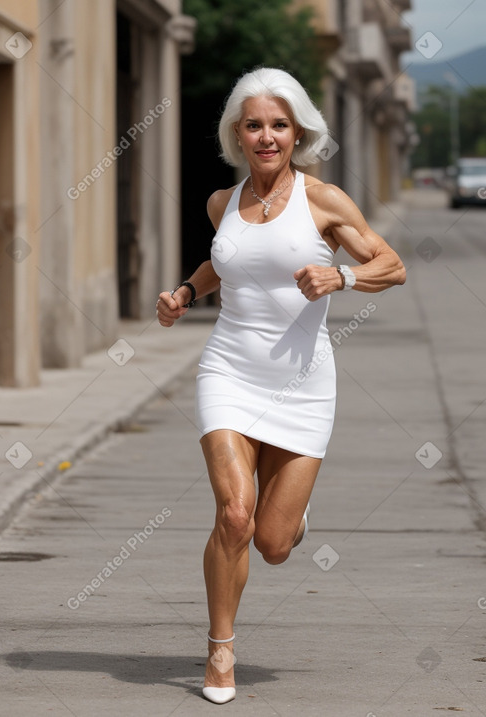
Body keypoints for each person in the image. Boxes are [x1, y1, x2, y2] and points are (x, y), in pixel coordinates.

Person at [156, 66, 406, 704]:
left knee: (270, 542)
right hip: (229, 372)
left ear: (297, 132)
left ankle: (288, 522)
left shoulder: (324, 200)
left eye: (278, 125)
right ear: (237, 134)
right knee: (233, 515)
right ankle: (220, 651)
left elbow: (390, 264)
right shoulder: (221, 202)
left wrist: (342, 280)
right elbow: (224, 260)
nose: (266, 136)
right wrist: (187, 291)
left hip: (302, 384)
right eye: (254, 125)